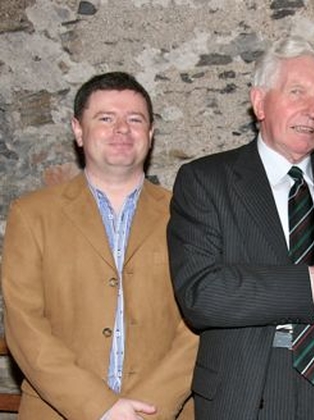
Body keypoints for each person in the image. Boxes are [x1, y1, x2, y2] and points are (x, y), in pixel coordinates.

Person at [167, 36, 314, 420]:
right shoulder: (206, 180)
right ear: (259, 102)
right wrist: (309, 285)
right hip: (250, 388)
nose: (312, 110)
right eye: (297, 92)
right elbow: (201, 294)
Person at [1, 71, 198, 419]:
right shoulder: (32, 215)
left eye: (135, 119)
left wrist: (147, 408)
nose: (122, 129)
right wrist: (100, 408)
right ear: (78, 130)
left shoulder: (191, 214)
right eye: (106, 118)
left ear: (150, 134)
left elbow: (202, 322)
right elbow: (24, 325)